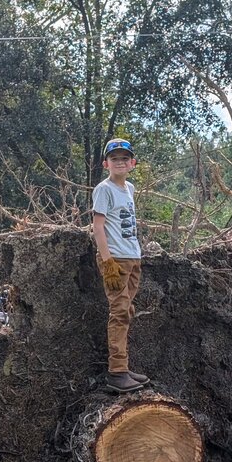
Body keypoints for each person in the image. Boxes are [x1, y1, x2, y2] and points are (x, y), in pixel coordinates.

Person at [92, 138, 150, 393]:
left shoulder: (130, 189)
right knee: (119, 313)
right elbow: (98, 226)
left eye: (124, 158)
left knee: (126, 312)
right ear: (106, 164)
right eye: (114, 158)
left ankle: (124, 367)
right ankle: (117, 373)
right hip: (114, 259)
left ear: (132, 163)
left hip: (132, 257)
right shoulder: (103, 189)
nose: (120, 162)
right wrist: (107, 262)